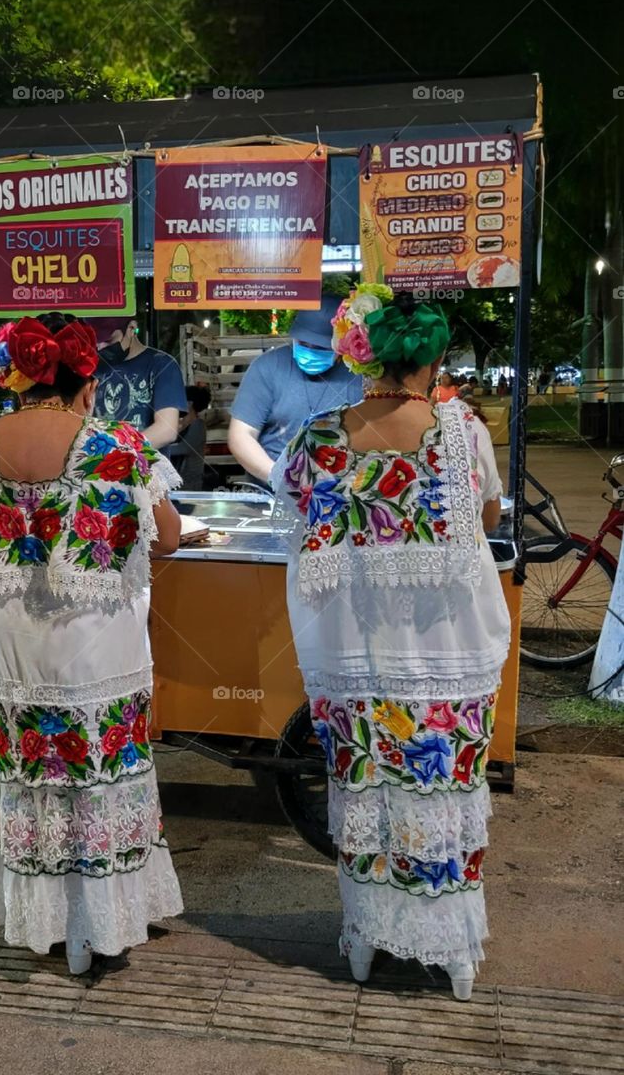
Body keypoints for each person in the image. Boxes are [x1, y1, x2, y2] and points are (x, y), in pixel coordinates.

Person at [0, 313, 184, 975]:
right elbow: (170, 537)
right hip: (95, 644)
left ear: (13, 381)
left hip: (7, 646)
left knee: (29, 771)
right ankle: (99, 921)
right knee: (95, 774)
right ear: (85, 383)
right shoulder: (118, 448)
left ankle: (41, 920)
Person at [273, 285, 510, 1001]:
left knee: (365, 789)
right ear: (433, 355)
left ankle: (366, 940)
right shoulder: (460, 428)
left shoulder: (316, 436)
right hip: (447, 653)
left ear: (363, 350)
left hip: (351, 657)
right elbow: (488, 513)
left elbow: (289, 519)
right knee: (440, 788)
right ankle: (450, 949)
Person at [228, 293, 363, 485]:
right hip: (271, 490)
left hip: (340, 490)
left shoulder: (359, 374)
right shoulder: (266, 367)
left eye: (320, 347)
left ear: (341, 345)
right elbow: (241, 435)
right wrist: (280, 479)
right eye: (303, 343)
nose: (309, 350)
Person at [94, 316, 187, 448]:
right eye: (97, 342)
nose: (101, 347)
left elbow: (167, 430)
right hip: (96, 465)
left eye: (109, 341)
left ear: (131, 328)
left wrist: (116, 454)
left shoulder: (162, 365)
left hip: (145, 466)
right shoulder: (92, 367)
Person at [170, 384, 211, 491]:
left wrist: (154, 447)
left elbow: (184, 448)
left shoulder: (198, 425)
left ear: (189, 403)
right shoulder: (184, 424)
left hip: (189, 483)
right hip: (178, 482)